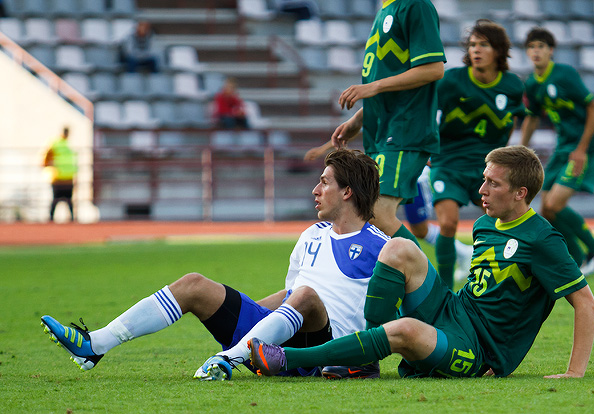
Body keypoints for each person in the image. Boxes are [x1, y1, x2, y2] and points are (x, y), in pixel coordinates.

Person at [249, 145, 594, 380]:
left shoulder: (543, 239)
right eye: (483, 179)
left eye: (493, 183)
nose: (482, 189)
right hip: (456, 311)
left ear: (521, 193)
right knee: (399, 248)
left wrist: (574, 372)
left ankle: (289, 359)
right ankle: (365, 360)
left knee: (404, 330)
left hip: (480, 351)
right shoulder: (484, 224)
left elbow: (585, 303)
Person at [40, 149, 388, 380]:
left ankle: (230, 359)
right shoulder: (311, 234)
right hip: (277, 340)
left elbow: (388, 320)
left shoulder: (383, 248)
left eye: (324, 182)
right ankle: (95, 344)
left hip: (322, 356)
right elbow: (290, 295)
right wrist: (248, 315)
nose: (315, 190)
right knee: (194, 284)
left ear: (347, 192)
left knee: (308, 296)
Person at [330, 0, 445, 247]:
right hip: (384, 130)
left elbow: (433, 69)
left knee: (378, 215)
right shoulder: (385, 9)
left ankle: (427, 284)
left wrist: (372, 87)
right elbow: (388, 77)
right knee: (367, 215)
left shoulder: (415, 5)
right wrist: (359, 119)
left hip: (406, 129)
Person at [430, 19, 525, 290]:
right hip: (448, 163)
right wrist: (428, 144)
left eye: (483, 44)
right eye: (472, 44)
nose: (476, 50)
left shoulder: (512, 86)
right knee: (448, 224)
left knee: (503, 224)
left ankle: (500, 285)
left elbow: (519, 118)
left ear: (498, 51)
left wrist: (505, 156)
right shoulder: (452, 80)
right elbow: (426, 112)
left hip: (487, 167)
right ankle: (445, 294)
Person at [304, 142, 473, 280]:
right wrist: (323, 148)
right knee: (419, 229)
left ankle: (426, 278)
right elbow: (360, 121)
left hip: (405, 160)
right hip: (389, 155)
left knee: (378, 216)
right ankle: (461, 253)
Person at [521, 27, 594, 277]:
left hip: (585, 147)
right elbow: (532, 118)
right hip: (563, 147)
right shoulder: (532, 83)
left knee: (555, 203)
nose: (536, 51)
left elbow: (593, 109)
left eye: (541, 46)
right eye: (532, 46)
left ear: (551, 51)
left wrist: (582, 149)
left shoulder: (565, 74)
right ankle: (578, 258)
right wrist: (520, 148)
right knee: (546, 210)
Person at [43, 127, 77, 222]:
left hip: (68, 177)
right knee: (56, 200)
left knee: (68, 201)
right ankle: (50, 220)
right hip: (58, 177)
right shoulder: (56, 144)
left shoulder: (67, 145)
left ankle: (71, 221)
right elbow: (45, 159)